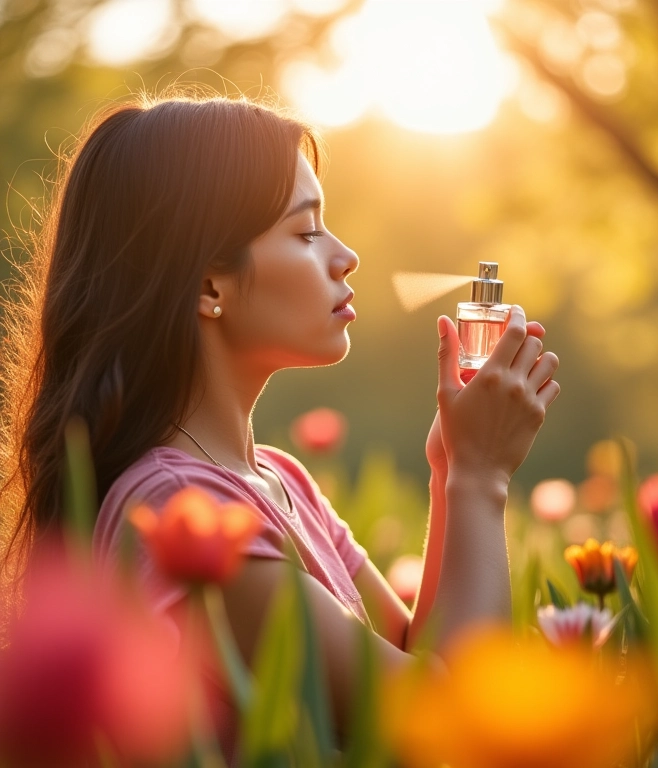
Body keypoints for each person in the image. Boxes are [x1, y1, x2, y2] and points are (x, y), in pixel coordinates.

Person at [0, 93, 560, 760]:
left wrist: (449, 472)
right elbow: (454, 724)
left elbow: (415, 657)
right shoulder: (184, 511)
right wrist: (480, 478)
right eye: (305, 232)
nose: (346, 255)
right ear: (210, 286)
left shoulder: (277, 478)